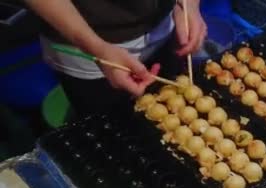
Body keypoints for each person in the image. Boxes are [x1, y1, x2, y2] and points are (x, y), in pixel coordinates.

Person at [24, 0, 207, 118]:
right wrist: (96, 47)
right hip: (85, 44)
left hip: (166, 28)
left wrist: (189, 5)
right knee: (115, 130)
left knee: (181, 105)